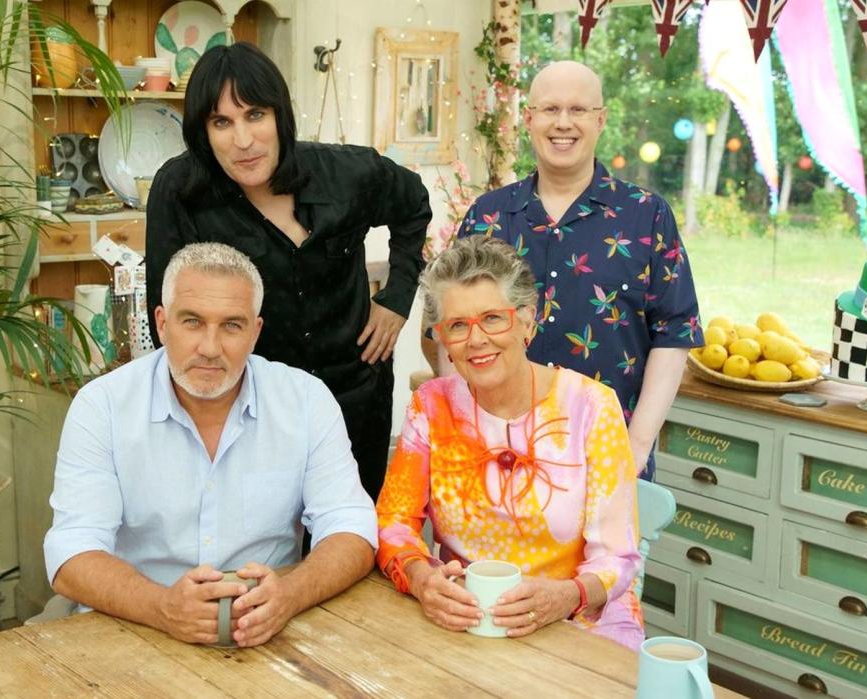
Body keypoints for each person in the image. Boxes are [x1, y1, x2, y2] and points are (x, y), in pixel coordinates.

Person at [44, 242, 377, 647]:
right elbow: (70, 553)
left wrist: (290, 595)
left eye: (232, 326)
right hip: (133, 626)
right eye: (192, 322)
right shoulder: (103, 406)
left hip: (268, 629)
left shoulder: (305, 400)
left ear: (255, 332)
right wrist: (163, 608)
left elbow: (352, 528)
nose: (210, 348)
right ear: (162, 325)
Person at [146, 43, 432, 499]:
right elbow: (167, 307)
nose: (243, 140)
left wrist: (397, 297)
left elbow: (414, 203)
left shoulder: (347, 173)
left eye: (255, 115)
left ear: (280, 115)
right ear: (203, 132)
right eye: (222, 122)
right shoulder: (179, 190)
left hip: (356, 395)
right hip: (252, 409)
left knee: (351, 538)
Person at [376, 236, 644, 650]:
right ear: (442, 337)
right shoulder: (431, 406)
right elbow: (393, 523)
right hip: (470, 621)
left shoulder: (591, 407)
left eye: (493, 318)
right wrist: (421, 578)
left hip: (580, 623)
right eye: (458, 325)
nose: (476, 339)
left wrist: (567, 596)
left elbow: (618, 558)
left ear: (526, 321)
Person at [456, 61, 702, 481]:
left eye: (578, 110)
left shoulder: (645, 216)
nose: (563, 123)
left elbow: (675, 333)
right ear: (529, 119)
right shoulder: (488, 217)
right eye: (550, 109)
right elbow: (451, 328)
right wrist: (465, 430)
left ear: (601, 120)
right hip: (498, 455)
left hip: (608, 456)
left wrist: (636, 447)